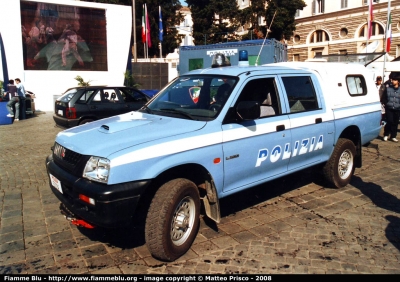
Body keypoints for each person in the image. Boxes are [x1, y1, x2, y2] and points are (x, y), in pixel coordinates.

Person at [381, 73, 400, 142]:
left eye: (395, 80)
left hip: (397, 109)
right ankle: (386, 134)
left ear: (398, 81)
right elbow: (383, 98)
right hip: (389, 108)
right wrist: (386, 104)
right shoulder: (388, 89)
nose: (393, 81)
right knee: (389, 121)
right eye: (392, 79)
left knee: (395, 122)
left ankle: (393, 136)